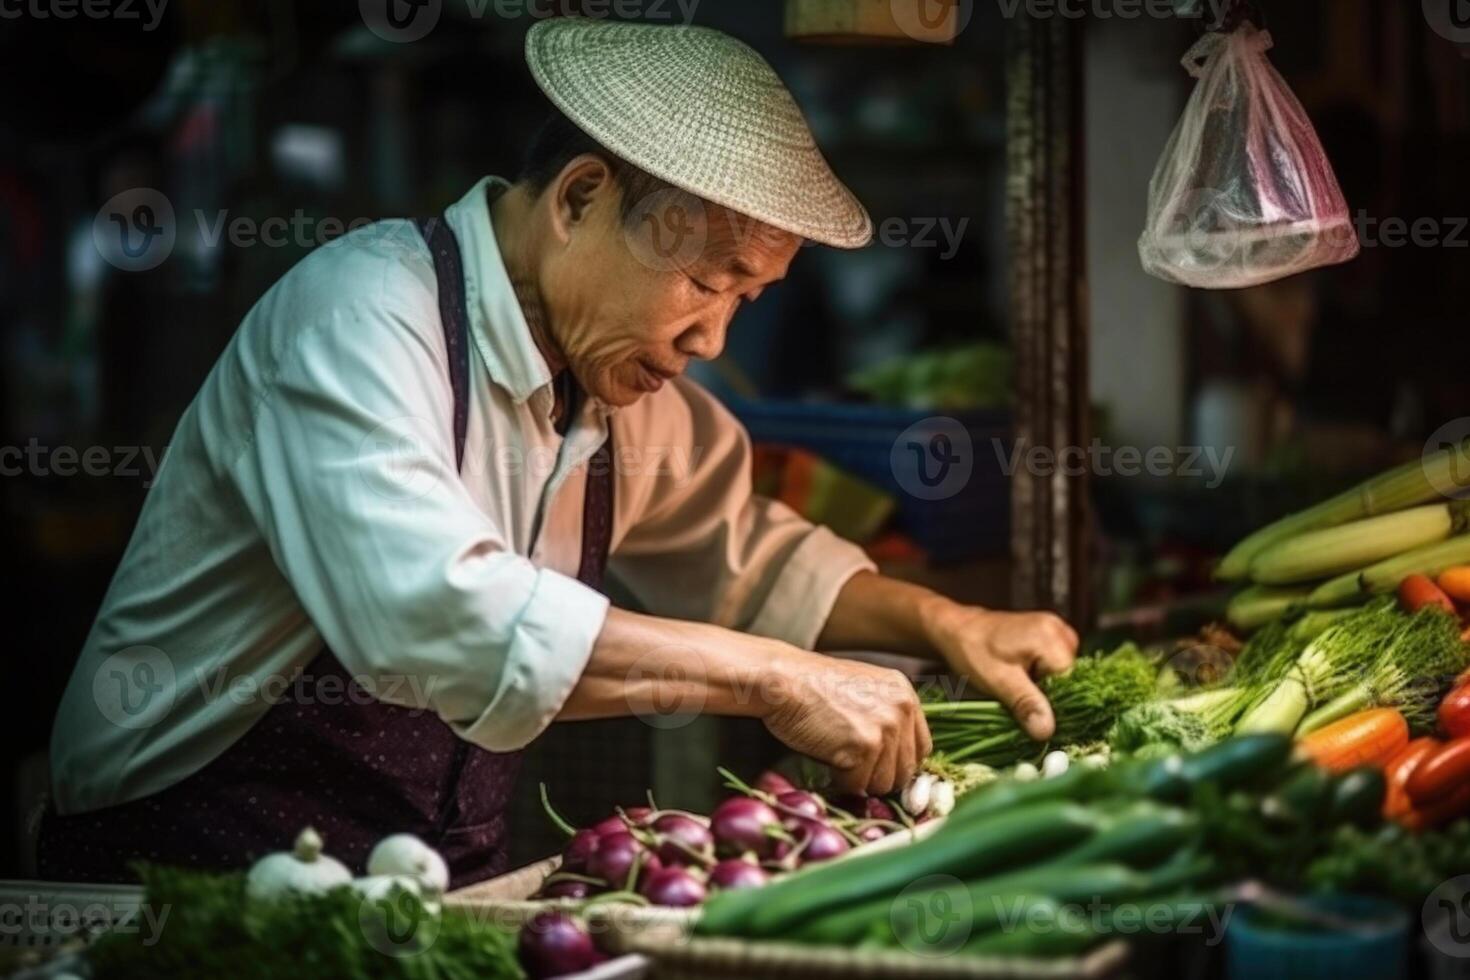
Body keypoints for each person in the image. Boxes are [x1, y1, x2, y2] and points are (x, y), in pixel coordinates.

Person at [41, 18, 1076, 888]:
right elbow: (431, 613)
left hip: (427, 880)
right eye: (707, 280)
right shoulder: (358, 317)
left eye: (746, 299)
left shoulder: (615, 377)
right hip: (188, 870)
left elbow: (749, 554)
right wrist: (773, 677)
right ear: (581, 199)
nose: (715, 338)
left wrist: (947, 622)